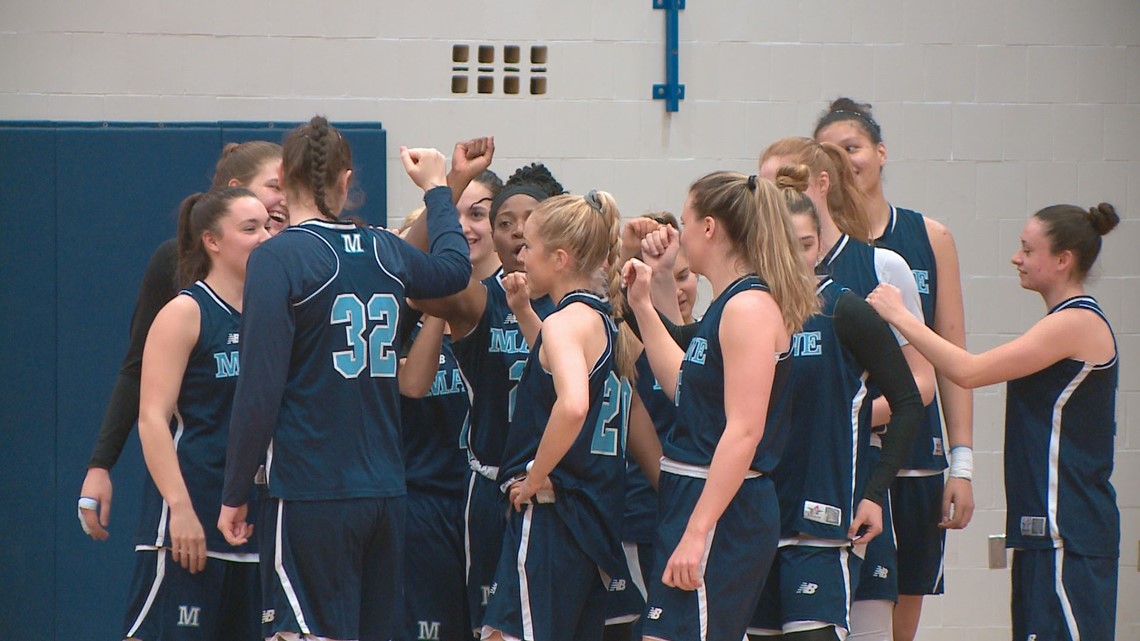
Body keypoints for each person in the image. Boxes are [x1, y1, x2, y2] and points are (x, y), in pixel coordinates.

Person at [217, 116, 472, 641]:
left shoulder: (277, 257)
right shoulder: (384, 248)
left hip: (311, 489)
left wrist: (235, 489)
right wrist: (438, 190)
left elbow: (258, 389)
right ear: (346, 180)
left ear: (284, 176)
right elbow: (453, 269)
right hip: (385, 492)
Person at [866, 203, 1120, 641]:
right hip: (1044, 529)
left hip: (1069, 529)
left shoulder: (1077, 322)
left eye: (1027, 249)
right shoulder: (1060, 322)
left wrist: (901, 315)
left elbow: (967, 371)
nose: (1015, 258)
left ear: (1063, 260)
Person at [624, 172, 817, 641]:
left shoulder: (748, 308)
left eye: (686, 220)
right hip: (696, 498)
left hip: (723, 507)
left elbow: (744, 433)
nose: (680, 232)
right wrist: (643, 306)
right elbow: (685, 386)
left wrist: (698, 531)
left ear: (709, 228)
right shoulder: (726, 304)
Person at [760, 137, 935, 639]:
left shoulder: (867, 280)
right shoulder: (752, 298)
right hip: (768, 506)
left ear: (820, 186)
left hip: (839, 493)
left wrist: (844, 415)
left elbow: (916, 390)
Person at [816, 98, 975, 641]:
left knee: (897, 619)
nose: (843, 160)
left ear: (880, 153)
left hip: (913, 456)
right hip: (844, 459)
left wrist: (963, 463)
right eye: (829, 153)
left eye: (852, 147)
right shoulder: (808, 249)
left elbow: (952, 358)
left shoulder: (929, 237)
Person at [78, 141, 288, 540]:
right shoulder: (181, 282)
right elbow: (138, 371)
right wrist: (100, 465)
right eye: (275, 185)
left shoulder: (290, 266)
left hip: (263, 494)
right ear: (236, 189)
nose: (284, 198)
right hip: (198, 479)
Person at [407, 162, 566, 635]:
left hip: (561, 487)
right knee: (490, 626)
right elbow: (408, 274)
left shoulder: (575, 303)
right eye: (504, 222)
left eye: (529, 220)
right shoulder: (479, 299)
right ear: (494, 239)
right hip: (493, 483)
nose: (517, 231)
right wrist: (441, 187)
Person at [122, 186, 270, 640]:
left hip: (256, 527)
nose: (265, 236)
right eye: (250, 228)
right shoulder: (186, 312)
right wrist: (180, 510)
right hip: (191, 520)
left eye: (268, 225)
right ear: (212, 240)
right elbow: (151, 419)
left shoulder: (275, 314)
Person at [481, 190, 629, 641]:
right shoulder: (600, 319)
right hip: (591, 522)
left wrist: (533, 475)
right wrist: (524, 312)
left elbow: (572, 404)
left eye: (529, 246)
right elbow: (550, 364)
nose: (521, 255)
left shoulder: (566, 323)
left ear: (560, 257)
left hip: (554, 516)